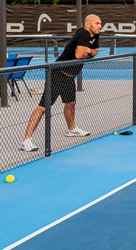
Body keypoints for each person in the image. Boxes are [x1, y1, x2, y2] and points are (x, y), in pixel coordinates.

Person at [19, 15, 102, 152]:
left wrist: (88, 50)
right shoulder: (83, 33)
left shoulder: (95, 35)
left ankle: (72, 129)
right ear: (87, 25)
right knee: (43, 107)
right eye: (97, 23)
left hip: (69, 77)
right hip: (57, 74)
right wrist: (87, 51)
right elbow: (79, 55)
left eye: (100, 23)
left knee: (71, 104)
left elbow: (94, 52)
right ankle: (26, 141)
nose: (100, 26)